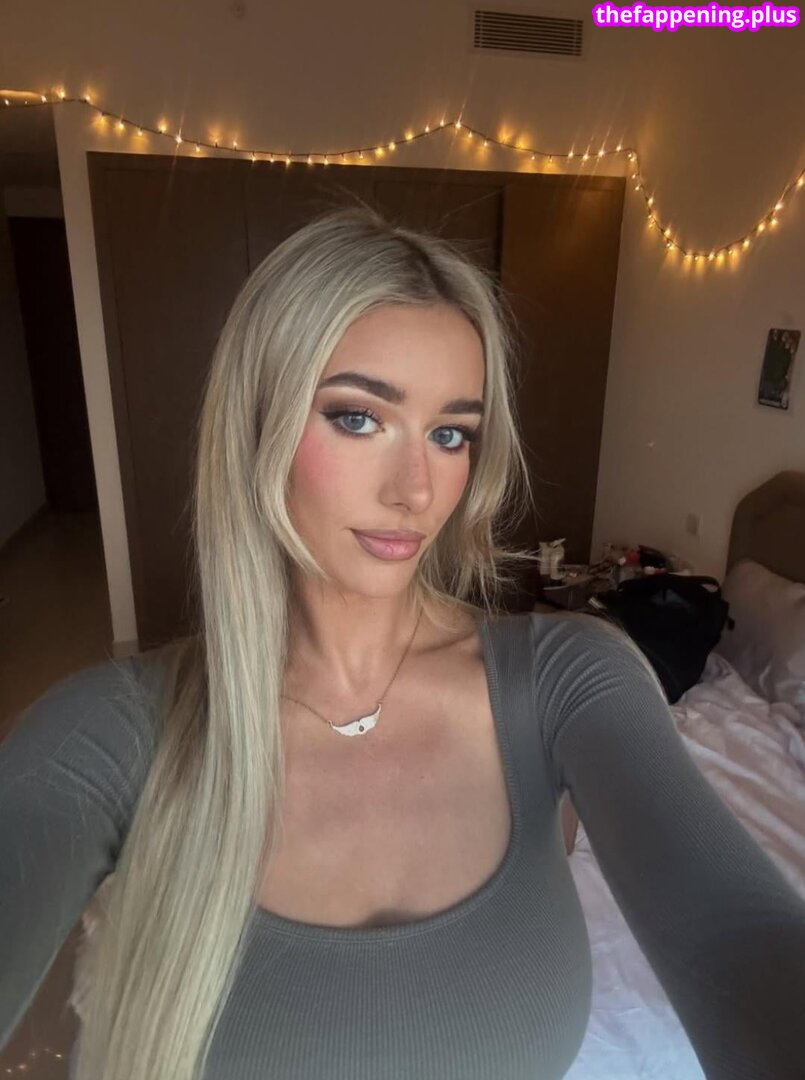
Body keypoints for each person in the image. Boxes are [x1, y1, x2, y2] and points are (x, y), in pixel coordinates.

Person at [2, 204, 804, 1080]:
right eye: (358, 418)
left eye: (450, 434)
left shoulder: (569, 679)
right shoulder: (113, 731)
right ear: (256, 424)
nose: (416, 490)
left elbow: (737, 936)